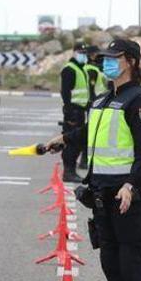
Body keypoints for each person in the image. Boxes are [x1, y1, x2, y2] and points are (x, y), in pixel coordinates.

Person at [45, 39, 141, 281]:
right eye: (105, 58)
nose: (107, 62)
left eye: (114, 58)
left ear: (131, 62)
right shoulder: (102, 100)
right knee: (110, 258)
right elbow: (88, 133)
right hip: (100, 192)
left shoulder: (140, 101)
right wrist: (64, 139)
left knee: (131, 258)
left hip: (125, 193)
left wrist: (132, 186)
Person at [59, 43, 90, 182]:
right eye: (80, 51)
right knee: (71, 142)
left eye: (84, 52)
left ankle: (71, 170)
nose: (83, 54)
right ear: (74, 52)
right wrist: (69, 111)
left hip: (80, 110)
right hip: (73, 111)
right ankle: (68, 172)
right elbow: (65, 92)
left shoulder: (81, 68)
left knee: (78, 142)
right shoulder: (69, 69)